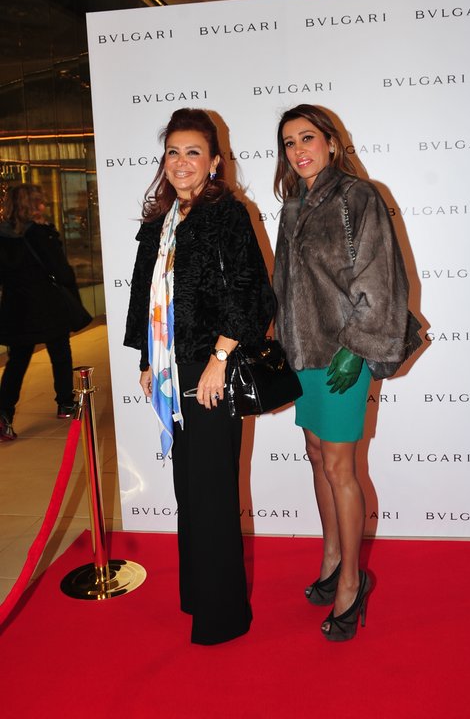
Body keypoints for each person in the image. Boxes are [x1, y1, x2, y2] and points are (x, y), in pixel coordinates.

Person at [124, 108, 275, 645]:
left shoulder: (227, 213)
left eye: (193, 152)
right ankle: (198, 595)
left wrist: (220, 358)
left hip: (212, 366)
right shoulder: (161, 220)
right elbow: (145, 293)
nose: (182, 162)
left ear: (214, 162)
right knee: (189, 488)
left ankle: (224, 615)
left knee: (211, 491)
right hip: (171, 368)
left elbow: (252, 290)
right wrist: (147, 360)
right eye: (173, 152)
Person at [273, 104, 409, 642]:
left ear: (331, 142)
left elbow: (381, 276)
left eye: (307, 138)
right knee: (315, 454)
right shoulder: (291, 207)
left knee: (339, 465)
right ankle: (331, 557)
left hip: (342, 354)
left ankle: (353, 581)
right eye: (289, 142)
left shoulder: (359, 197)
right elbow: (284, 284)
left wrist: (357, 347)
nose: (298, 150)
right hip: (302, 353)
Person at [0, 184, 81, 441]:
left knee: (17, 361)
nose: (44, 205)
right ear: (33, 205)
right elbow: (62, 271)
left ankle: (4, 414)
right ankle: (65, 403)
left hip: (16, 307)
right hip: (47, 305)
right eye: (40, 201)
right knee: (60, 353)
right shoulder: (41, 234)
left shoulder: (2, 235)